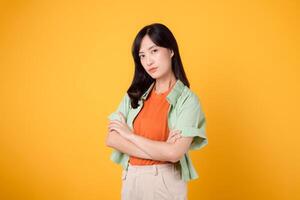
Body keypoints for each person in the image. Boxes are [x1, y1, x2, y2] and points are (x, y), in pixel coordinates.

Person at [106, 23, 208, 200]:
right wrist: (162, 149)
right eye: (142, 55)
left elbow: (174, 153)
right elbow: (112, 139)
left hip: (164, 182)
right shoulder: (134, 94)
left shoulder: (188, 101)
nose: (148, 61)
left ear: (170, 50)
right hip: (131, 178)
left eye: (154, 51)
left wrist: (129, 136)